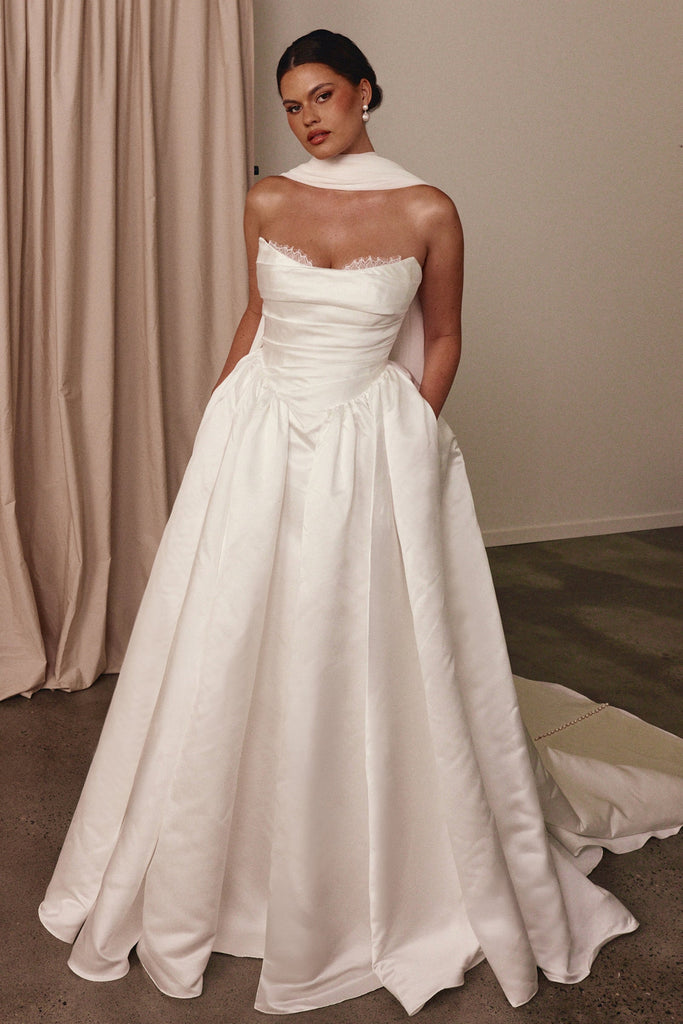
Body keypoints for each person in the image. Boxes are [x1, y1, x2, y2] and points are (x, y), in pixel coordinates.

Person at [39, 29, 683, 1017]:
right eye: (293, 103)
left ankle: (370, 859)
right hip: (260, 433)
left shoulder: (428, 208)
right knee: (235, 634)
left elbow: (447, 329)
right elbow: (256, 316)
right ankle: (227, 849)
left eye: (324, 96)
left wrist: (411, 437)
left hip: (367, 438)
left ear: (367, 90)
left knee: (349, 636)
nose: (308, 118)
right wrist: (218, 424)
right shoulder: (267, 196)